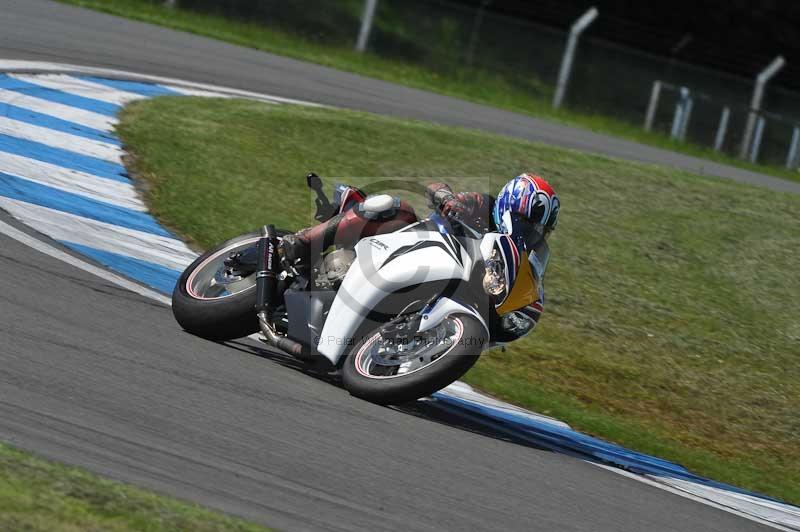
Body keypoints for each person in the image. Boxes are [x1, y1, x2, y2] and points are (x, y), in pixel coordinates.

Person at [282, 173, 559, 342]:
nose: (530, 232)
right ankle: (303, 241)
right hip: (406, 247)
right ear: (509, 204)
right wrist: (449, 199)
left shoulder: (515, 259)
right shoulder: (483, 204)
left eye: (538, 230)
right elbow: (436, 186)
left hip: (441, 285)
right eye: (526, 222)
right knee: (396, 207)